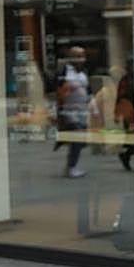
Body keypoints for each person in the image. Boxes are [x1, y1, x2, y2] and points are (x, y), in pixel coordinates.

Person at [54, 45, 91, 178]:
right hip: (70, 110)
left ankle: (72, 164)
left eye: (83, 56)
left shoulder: (83, 71)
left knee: (81, 140)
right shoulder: (64, 71)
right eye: (78, 56)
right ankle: (71, 167)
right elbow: (59, 89)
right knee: (77, 137)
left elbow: (88, 89)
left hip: (82, 110)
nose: (82, 59)